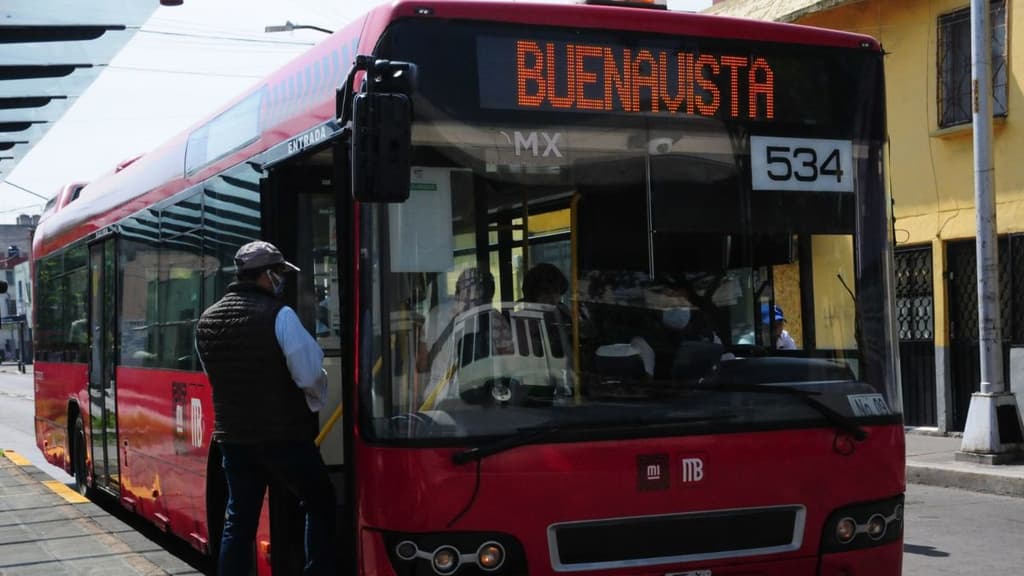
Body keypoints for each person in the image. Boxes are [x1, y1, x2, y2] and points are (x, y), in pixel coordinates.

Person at [195, 241, 334, 576]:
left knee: (239, 519)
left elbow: (217, 376)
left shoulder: (207, 320)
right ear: (266, 275)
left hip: (234, 438)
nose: (281, 281)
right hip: (283, 435)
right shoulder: (280, 315)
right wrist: (318, 398)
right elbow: (309, 375)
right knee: (321, 501)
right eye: (279, 274)